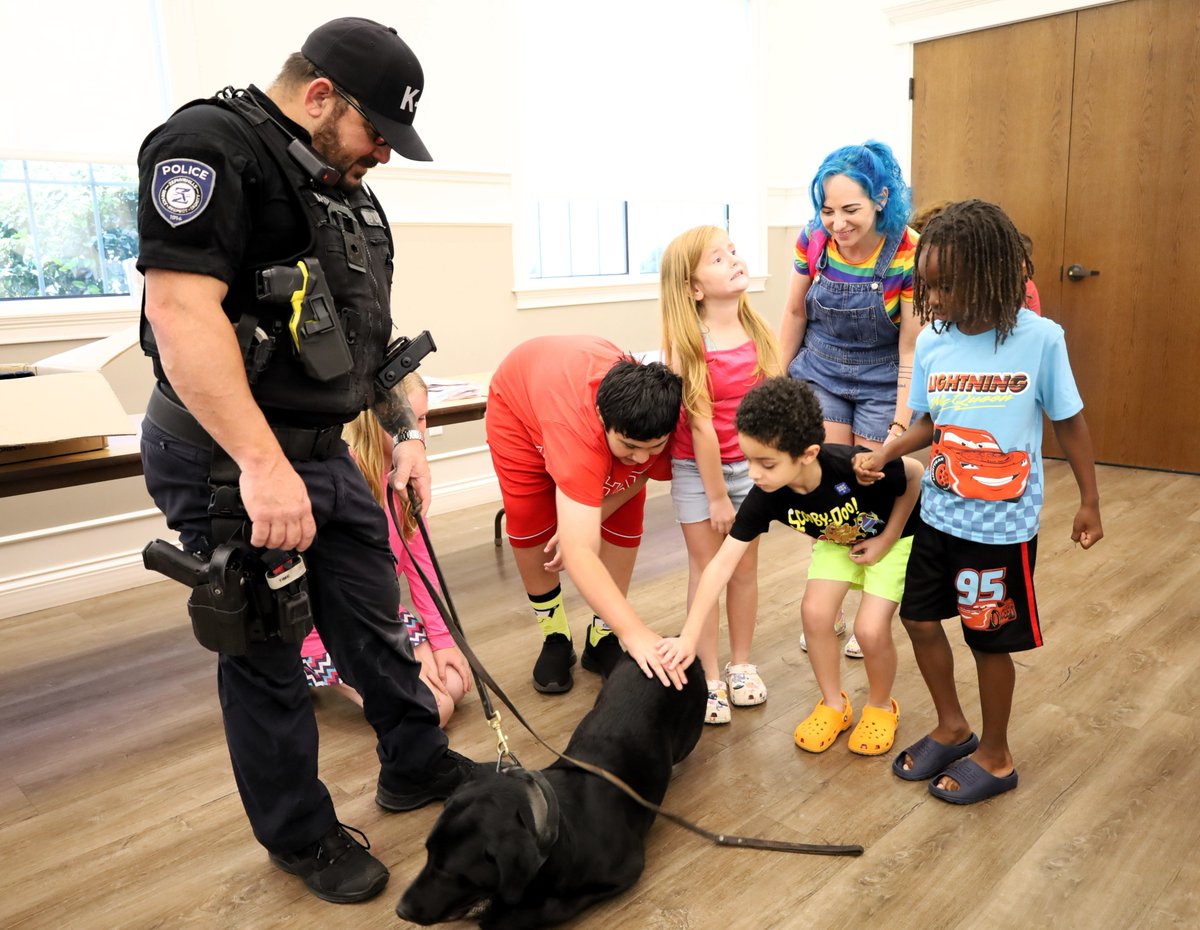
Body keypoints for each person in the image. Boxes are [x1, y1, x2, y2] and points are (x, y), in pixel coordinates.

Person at [136, 18, 475, 905]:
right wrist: (258, 464)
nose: (385, 157)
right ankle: (303, 835)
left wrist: (403, 433)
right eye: (378, 135)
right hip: (228, 458)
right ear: (321, 95)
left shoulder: (345, 186)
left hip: (324, 450)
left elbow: (360, 338)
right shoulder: (208, 146)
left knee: (371, 613)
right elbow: (179, 312)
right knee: (266, 649)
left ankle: (416, 762)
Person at [853, 199, 1103, 804]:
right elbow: (929, 423)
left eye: (946, 288)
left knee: (989, 641)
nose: (933, 302)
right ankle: (952, 725)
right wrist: (887, 454)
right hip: (938, 516)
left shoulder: (1039, 339)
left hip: (1001, 530)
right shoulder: (935, 344)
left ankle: (996, 754)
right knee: (917, 617)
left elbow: (1068, 422)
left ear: (991, 274)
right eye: (927, 288)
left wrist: (1089, 500)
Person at [658, 378, 923, 757]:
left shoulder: (851, 466)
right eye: (748, 459)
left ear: (808, 454)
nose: (753, 473)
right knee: (814, 614)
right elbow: (719, 567)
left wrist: (886, 539)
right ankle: (834, 704)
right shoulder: (765, 496)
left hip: (894, 540)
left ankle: (880, 706)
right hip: (837, 542)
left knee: (869, 629)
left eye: (766, 463)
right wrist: (688, 636)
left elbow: (913, 475)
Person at [780, 141, 921, 661]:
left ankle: (871, 608)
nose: (836, 223)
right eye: (827, 210)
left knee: (875, 488)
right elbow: (795, 314)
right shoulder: (813, 242)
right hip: (820, 371)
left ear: (882, 198)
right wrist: (778, 384)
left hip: (885, 378)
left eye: (850, 210)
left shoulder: (909, 250)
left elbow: (910, 344)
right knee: (830, 489)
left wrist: (899, 424)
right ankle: (832, 603)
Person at [485, 335, 686, 693]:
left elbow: (638, 476)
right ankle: (555, 637)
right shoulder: (578, 433)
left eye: (654, 447)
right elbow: (578, 553)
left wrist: (587, 516)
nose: (642, 457)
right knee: (532, 524)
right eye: (630, 446)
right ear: (601, 419)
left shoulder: (660, 412)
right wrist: (636, 633)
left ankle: (602, 638)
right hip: (518, 406)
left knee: (623, 522)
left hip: (568, 388)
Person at [659, 226, 781, 724]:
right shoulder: (688, 345)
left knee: (745, 569)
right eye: (717, 258)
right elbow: (702, 429)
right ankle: (708, 678)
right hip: (698, 472)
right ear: (693, 287)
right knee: (706, 570)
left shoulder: (759, 332)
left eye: (733, 250)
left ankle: (741, 665)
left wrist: (771, 472)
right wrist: (716, 498)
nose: (734, 259)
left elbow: (770, 408)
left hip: (750, 470)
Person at [302, 374, 470, 726]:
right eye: (408, 421)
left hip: (383, 614)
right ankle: (313, 671)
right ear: (373, 419)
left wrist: (442, 641)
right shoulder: (340, 481)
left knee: (453, 685)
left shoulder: (406, 477)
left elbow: (422, 566)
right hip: (331, 626)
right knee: (433, 710)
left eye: (422, 419)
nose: (417, 433)